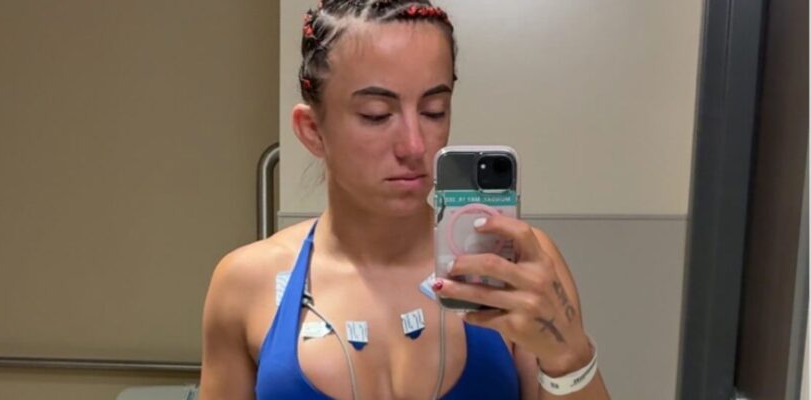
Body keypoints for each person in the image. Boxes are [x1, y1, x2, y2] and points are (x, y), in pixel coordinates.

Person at [200, 1, 610, 398]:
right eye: (376, 114)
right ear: (311, 130)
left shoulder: (517, 264)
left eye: (434, 111)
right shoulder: (245, 283)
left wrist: (569, 356)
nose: (415, 146)